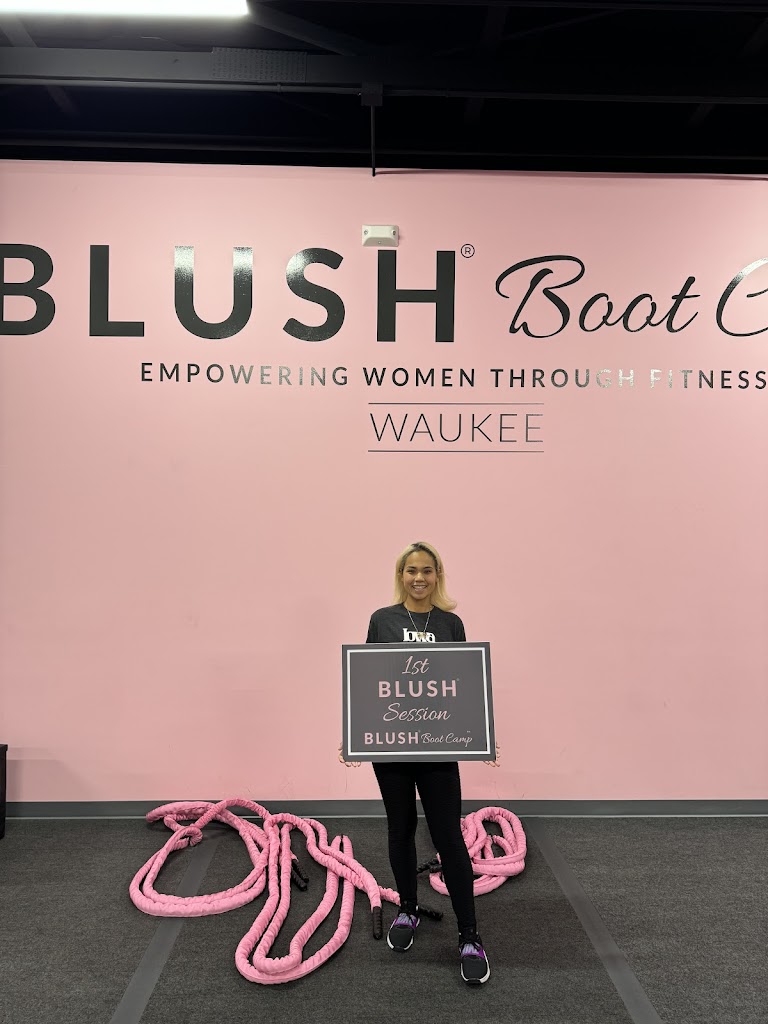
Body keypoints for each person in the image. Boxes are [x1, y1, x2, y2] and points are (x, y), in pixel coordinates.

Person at [340, 541, 495, 985]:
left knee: (449, 836)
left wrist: (481, 732)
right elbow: (368, 682)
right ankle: (407, 910)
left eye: (427, 570)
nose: (419, 578)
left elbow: (463, 685)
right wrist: (353, 734)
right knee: (401, 827)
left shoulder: (450, 623)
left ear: (437, 575)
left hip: (438, 747)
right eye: (411, 571)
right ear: (401, 575)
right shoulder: (382, 620)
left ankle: (470, 936)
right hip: (392, 746)